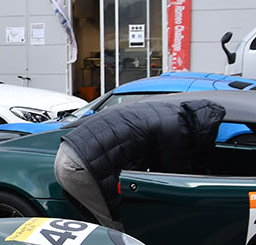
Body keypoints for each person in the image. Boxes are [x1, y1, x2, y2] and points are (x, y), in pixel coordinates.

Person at [53, 98, 226, 230]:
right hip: (79, 167)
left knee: (99, 222)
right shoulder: (175, 128)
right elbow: (175, 175)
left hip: (67, 152)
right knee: (117, 227)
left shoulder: (170, 111)